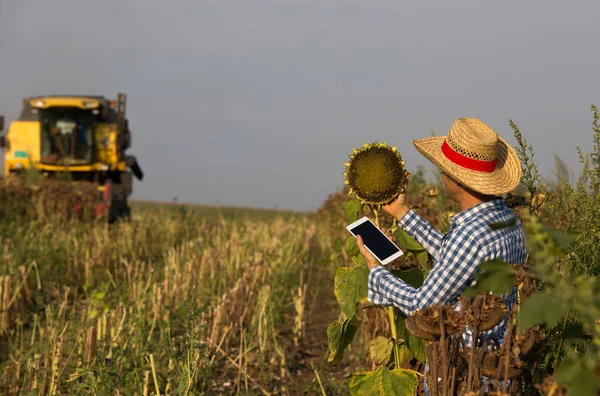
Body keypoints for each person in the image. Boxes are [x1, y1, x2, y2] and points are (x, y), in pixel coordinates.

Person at [355, 118, 527, 387]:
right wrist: (402, 212)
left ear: (458, 181)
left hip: (461, 375)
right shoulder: (507, 220)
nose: (441, 175)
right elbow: (459, 262)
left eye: (444, 170)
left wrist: (376, 271)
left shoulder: (470, 235)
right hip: (494, 369)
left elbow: (420, 306)